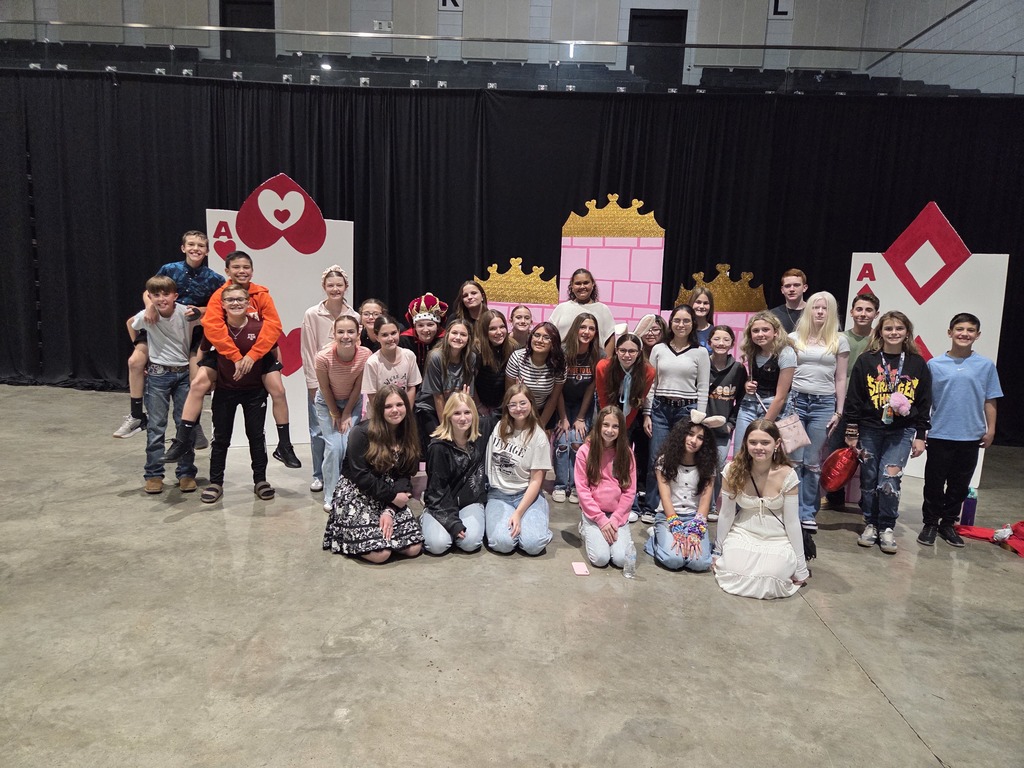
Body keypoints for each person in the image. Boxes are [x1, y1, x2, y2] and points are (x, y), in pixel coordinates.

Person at [160, 251, 300, 469]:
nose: (241, 271)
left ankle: (284, 445)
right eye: (236, 267)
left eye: (246, 267)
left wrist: (252, 355)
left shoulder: (262, 295)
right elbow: (213, 328)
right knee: (197, 385)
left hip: (257, 354)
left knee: (279, 391)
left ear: (252, 270)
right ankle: (183, 441)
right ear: (227, 271)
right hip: (227, 355)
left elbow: (273, 327)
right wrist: (235, 356)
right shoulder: (219, 295)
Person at [115, 230, 224, 441]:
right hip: (160, 326)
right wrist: (149, 307)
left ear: (207, 251)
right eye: (191, 244)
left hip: (192, 331)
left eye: (200, 245)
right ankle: (137, 415)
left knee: (195, 376)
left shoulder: (215, 279)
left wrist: (201, 311)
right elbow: (149, 291)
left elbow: (220, 306)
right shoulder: (170, 269)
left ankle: (193, 424)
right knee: (135, 361)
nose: (195, 248)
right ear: (183, 248)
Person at [845, 311, 931, 555]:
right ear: (880, 332)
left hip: (901, 432)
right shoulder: (867, 360)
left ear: (907, 333)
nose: (894, 333)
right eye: (889, 328)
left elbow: (924, 401)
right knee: (869, 478)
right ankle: (870, 523)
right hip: (869, 429)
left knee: (889, 479)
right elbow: (854, 397)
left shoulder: (917, 363)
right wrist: (851, 430)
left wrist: (921, 435)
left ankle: (887, 526)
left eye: (899, 328)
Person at [919, 313, 1002, 547]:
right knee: (934, 482)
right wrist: (921, 431)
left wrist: (991, 429)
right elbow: (925, 402)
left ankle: (948, 523)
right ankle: (930, 523)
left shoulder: (986, 366)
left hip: (970, 435)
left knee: (959, 484)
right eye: (960, 329)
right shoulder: (934, 365)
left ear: (977, 335)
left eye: (970, 330)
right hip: (940, 433)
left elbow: (990, 399)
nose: (964, 334)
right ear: (950, 332)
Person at [322, 385, 423, 563]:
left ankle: (383, 535)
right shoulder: (361, 432)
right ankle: (353, 537)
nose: (395, 410)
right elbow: (361, 476)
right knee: (381, 554)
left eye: (399, 404)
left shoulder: (408, 433)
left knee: (414, 548)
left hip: (390, 492)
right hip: (359, 492)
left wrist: (390, 510)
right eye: (388, 406)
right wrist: (392, 497)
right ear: (379, 409)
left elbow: (405, 474)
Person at [713, 419, 810, 599]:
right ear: (745, 443)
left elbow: (792, 522)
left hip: (778, 538)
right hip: (742, 533)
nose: (759, 447)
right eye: (753, 442)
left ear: (777, 444)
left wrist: (801, 565)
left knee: (773, 578)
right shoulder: (732, 470)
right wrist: (717, 551)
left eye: (765, 442)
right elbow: (726, 514)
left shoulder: (788, 474)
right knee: (733, 572)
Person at [199, 283, 277, 504]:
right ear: (222, 304)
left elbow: (273, 354)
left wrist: (272, 379)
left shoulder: (260, 327)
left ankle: (260, 481)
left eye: (240, 299)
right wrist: (204, 379)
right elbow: (202, 353)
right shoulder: (216, 328)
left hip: (255, 392)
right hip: (225, 390)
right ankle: (216, 482)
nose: (235, 303)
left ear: (248, 303)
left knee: (256, 436)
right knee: (221, 438)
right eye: (230, 300)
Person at [641, 304, 710, 523]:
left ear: (693, 324)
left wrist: (699, 417)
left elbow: (703, 387)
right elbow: (652, 383)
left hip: (687, 410)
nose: (681, 325)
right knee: (657, 457)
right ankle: (652, 506)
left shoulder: (700, 352)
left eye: (686, 321)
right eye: (677, 320)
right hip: (660, 409)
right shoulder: (659, 349)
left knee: (681, 458)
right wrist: (647, 413)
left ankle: (678, 505)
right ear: (670, 323)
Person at [788, 291, 849, 533]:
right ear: (809, 310)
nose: (820, 312)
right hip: (796, 401)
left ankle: (807, 513)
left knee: (812, 462)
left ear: (831, 312)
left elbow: (841, 378)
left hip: (823, 404)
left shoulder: (839, 340)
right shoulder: (793, 338)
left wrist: (839, 411)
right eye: (816, 307)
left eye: (825, 308)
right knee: (794, 461)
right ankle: (790, 511)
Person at [133, 275, 198, 494]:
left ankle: (186, 472)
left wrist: (198, 313)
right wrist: (140, 350)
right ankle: (153, 474)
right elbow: (132, 324)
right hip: (158, 375)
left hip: (183, 374)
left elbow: (206, 320)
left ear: (175, 296)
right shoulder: (146, 315)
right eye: (156, 295)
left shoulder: (185, 313)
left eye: (166, 294)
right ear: (150, 297)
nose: (162, 299)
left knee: (184, 425)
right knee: (156, 426)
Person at [300, 265, 360, 494]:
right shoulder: (312, 314)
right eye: (330, 285)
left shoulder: (354, 316)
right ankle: (318, 475)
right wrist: (312, 383)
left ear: (346, 287)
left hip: (345, 382)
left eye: (339, 285)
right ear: (324, 287)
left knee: (343, 433)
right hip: (320, 381)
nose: (335, 289)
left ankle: (342, 475)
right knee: (318, 431)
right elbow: (308, 350)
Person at [824, 292, 880, 510]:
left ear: (876, 314)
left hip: (870, 407)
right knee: (836, 450)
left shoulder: (880, 340)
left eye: (868, 310)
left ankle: (868, 502)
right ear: (851, 312)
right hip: (841, 404)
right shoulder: (839, 338)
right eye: (859, 309)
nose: (863, 314)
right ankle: (834, 497)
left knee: (868, 454)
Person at [644, 413, 721, 571]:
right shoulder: (664, 461)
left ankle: (698, 543)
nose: (694, 440)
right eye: (690, 434)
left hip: (694, 518)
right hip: (668, 517)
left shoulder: (708, 465)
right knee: (674, 560)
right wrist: (675, 526)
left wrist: (696, 529)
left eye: (700, 438)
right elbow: (665, 498)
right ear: (681, 435)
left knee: (699, 563)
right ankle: (655, 539)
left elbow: (705, 501)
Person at [484, 383, 553, 556]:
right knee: (503, 543)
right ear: (507, 407)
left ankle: (537, 523)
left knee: (533, 545)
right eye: (513, 404)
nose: (518, 408)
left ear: (531, 404)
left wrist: (518, 513)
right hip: (498, 494)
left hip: (526, 494)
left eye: (523, 403)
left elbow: (536, 481)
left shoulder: (539, 436)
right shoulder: (499, 427)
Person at [595, 331, 655, 524]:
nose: (627, 355)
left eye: (632, 351)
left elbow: (638, 401)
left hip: (632, 414)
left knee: (628, 457)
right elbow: (603, 399)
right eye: (622, 350)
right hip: (608, 411)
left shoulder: (648, 372)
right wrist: (610, 427)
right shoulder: (603, 366)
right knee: (606, 455)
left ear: (639, 353)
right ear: (616, 351)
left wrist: (623, 431)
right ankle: (605, 498)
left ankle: (631, 503)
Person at [315, 315, 370, 512]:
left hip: (351, 404)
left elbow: (358, 387)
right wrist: (335, 413)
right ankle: (330, 494)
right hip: (327, 403)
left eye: (350, 331)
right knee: (334, 448)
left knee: (348, 446)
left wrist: (346, 413)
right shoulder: (323, 357)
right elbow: (324, 388)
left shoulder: (365, 355)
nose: (346, 336)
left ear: (358, 333)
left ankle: (350, 492)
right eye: (341, 332)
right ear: (334, 333)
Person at [421, 392, 488, 555]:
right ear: (448, 416)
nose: (463, 418)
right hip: (441, 503)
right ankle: (427, 517)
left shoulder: (479, 437)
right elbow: (437, 491)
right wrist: (453, 524)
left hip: (471, 501)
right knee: (437, 545)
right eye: (457, 413)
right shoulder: (438, 447)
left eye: (467, 412)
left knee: (470, 543)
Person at [574, 406, 636, 569]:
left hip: (617, 514)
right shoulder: (584, 451)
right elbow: (582, 490)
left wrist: (615, 519)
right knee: (601, 559)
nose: (610, 430)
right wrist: (601, 520)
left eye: (615, 426)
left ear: (621, 430)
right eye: (605, 425)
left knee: (621, 559)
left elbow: (629, 491)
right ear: (598, 426)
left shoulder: (627, 453)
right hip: (594, 513)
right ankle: (585, 528)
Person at [553, 312, 602, 504]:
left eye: (591, 328)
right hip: (562, 402)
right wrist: (563, 417)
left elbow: (591, 388)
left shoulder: (599, 354)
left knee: (577, 440)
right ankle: (559, 485)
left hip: (584, 405)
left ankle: (575, 486)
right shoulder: (562, 351)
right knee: (563, 439)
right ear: (575, 329)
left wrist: (581, 417)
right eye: (583, 327)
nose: (586, 332)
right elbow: (558, 387)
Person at [734, 311, 795, 453]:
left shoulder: (786, 353)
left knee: (766, 452)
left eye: (765, 330)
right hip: (749, 404)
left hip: (774, 407)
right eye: (755, 331)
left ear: (776, 332)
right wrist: (747, 385)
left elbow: (781, 397)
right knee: (740, 451)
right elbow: (752, 379)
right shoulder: (752, 351)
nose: (760, 334)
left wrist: (763, 426)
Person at [706, 324, 747, 521]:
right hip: (700, 428)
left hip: (723, 431)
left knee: (717, 465)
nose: (721, 343)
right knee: (699, 466)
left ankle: (712, 506)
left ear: (732, 343)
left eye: (726, 340)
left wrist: (731, 423)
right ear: (709, 342)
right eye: (716, 339)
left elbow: (742, 399)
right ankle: (698, 504)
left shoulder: (738, 369)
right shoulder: (702, 363)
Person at [416, 318, 476, 452]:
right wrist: (447, 427)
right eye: (454, 333)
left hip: (456, 408)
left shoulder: (471, 358)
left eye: (463, 334)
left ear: (468, 339)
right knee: (440, 444)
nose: (458, 337)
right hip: (431, 409)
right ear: (447, 334)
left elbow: (467, 394)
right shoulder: (435, 357)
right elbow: (438, 397)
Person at [631, 314, 668, 516]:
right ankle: (631, 493)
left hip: (655, 410)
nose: (651, 333)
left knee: (647, 452)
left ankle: (646, 492)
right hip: (632, 409)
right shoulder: (632, 351)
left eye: (656, 329)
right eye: (648, 329)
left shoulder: (665, 353)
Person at [505, 321, 566, 429]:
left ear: (554, 342)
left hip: (543, 411)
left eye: (546, 337)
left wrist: (540, 426)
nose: (539, 340)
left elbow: (553, 398)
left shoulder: (559, 364)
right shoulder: (517, 357)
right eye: (536, 335)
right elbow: (510, 394)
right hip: (517, 409)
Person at [548, 268, 617, 353]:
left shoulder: (603, 309)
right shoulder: (561, 308)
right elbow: (550, 335)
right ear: (572, 286)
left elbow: (610, 338)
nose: (582, 287)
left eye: (586, 283)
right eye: (578, 283)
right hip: (563, 359)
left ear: (593, 284)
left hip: (594, 360)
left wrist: (607, 359)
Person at [361, 314, 421, 406]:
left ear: (399, 332)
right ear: (377, 337)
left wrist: (407, 411)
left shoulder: (409, 356)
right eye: (384, 335)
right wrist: (383, 413)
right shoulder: (372, 362)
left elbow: (411, 387)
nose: (390, 339)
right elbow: (372, 395)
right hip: (380, 411)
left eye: (393, 333)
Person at [473, 308, 518, 416]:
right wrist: (479, 406)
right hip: (481, 406)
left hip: (504, 406)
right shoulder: (476, 350)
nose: (499, 332)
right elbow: (470, 381)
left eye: (502, 327)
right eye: (492, 329)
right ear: (485, 331)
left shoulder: (513, 347)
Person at [399, 292, 447, 373]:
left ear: (438, 326)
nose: (425, 330)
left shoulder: (445, 340)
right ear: (415, 327)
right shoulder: (404, 340)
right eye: (420, 325)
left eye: (430, 325)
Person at [770, 268, 809, 334]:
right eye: (787, 286)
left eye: (796, 285)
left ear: (804, 288)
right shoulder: (773, 315)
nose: (792, 289)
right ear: (782, 290)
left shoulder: (815, 312)